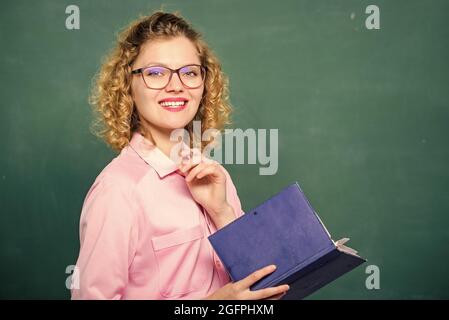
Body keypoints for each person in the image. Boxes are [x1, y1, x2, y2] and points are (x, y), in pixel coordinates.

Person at [71, 10, 290, 300]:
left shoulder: (215, 177)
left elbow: (257, 280)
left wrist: (222, 211)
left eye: (189, 72)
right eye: (156, 73)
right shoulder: (118, 190)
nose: (176, 85)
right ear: (128, 86)